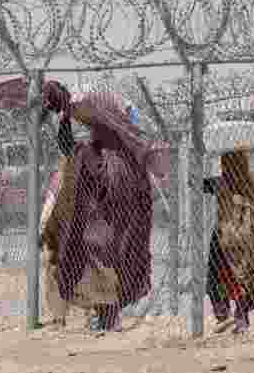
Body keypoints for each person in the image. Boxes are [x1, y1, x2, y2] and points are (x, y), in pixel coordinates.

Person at [41, 81, 169, 333]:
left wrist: (143, 158)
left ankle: (108, 314)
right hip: (114, 172)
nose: (56, 114)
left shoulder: (84, 102)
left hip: (117, 173)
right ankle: (105, 313)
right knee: (101, 246)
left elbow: (126, 129)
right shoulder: (78, 110)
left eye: (54, 108)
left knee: (102, 245)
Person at [200, 148, 254, 334]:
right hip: (246, 241)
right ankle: (241, 317)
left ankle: (223, 314)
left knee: (219, 275)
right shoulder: (251, 183)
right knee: (242, 279)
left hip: (224, 237)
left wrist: (197, 160)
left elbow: (197, 184)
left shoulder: (221, 183)